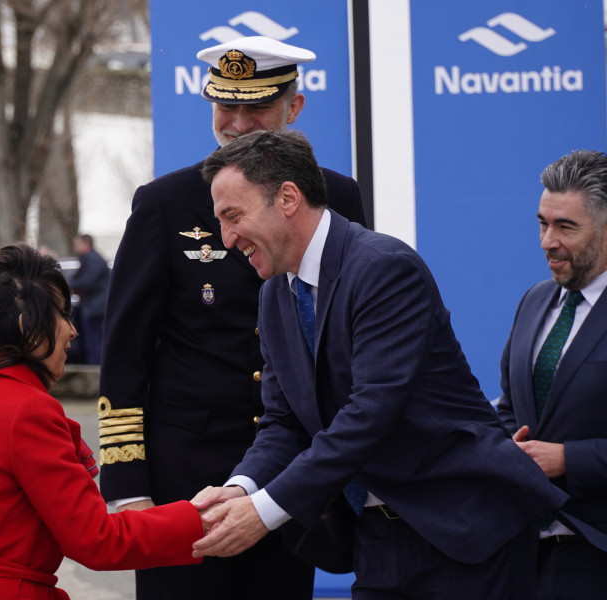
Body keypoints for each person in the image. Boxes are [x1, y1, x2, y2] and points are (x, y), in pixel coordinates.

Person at [192, 129, 567, 599]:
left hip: (466, 532)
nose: (227, 239)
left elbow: (369, 413)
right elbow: (283, 422)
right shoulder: (274, 295)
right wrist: (241, 489)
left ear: (287, 198)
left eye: (233, 216)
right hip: (377, 540)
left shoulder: (383, 267)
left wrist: (266, 510)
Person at [97, 36, 368, 599]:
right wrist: (128, 485)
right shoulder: (164, 203)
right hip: (183, 483)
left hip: (292, 477)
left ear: (294, 109)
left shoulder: (336, 197)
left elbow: (349, 338)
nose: (239, 124)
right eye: (226, 106)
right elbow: (124, 352)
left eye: (257, 108)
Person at [0, 244, 204, 600]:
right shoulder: (27, 412)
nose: (72, 331)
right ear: (26, 325)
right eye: (61, 314)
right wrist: (199, 519)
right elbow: (96, 540)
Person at [496, 150, 607, 600]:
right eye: (543, 223)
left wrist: (567, 459)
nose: (547, 241)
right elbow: (507, 408)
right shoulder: (534, 300)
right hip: (519, 555)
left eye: (565, 227)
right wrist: (507, 449)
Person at [67, 234, 110, 364]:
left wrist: (68, 284)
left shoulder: (94, 260)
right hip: (92, 306)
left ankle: (96, 366)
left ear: (86, 244)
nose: (76, 247)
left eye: (78, 244)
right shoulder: (89, 260)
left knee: (95, 340)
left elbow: (86, 281)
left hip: (96, 308)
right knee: (91, 340)